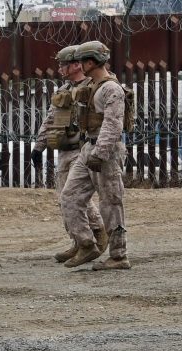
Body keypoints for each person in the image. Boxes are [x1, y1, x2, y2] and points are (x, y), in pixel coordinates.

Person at [59, 41, 130, 270]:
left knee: (111, 202)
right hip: (88, 147)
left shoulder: (111, 89)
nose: (79, 66)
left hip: (105, 151)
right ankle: (86, 244)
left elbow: (113, 124)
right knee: (69, 196)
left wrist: (99, 153)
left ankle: (119, 256)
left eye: (82, 61)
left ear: (91, 62)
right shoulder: (92, 85)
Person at [38, 45, 107, 262]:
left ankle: (95, 235)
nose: (60, 68)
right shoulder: (64, 90)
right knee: (64, 198)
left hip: (83, 149)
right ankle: (79, 241)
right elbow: (51, 119)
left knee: (75, 196)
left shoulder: (94, 87)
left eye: (63, 64)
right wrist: (38, 146)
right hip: (65, 149)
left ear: (77, 64)